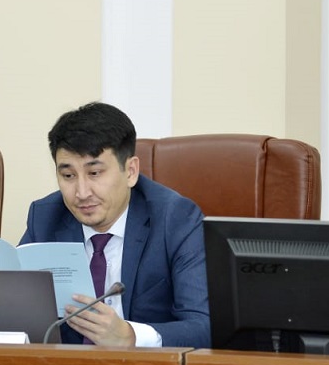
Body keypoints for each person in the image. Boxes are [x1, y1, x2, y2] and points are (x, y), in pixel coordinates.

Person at [20, 102, 210, 348]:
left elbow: (203, 326)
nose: (82, 192)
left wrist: (132, 336)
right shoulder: (46, 218)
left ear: (130, 171)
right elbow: (15, 312)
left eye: (95, 173)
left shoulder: (175, 219)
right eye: (68, 176)